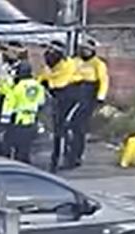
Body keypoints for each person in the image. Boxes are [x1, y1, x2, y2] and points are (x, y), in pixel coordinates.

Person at [38, 42, 83, 172]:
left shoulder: (68, 65)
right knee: (58, 130)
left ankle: (68, 159)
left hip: (71, 98)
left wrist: (48, 82)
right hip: (59, 99)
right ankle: (57, 159)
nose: (48, 55)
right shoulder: (51, 67)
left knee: (66, 129)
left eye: (52, 52)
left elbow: (60, 83)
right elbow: (42, 79)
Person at [70, 37, 110, 168]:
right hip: (72, 94)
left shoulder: (98, 64)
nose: (84, 52)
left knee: (79, 127)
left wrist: (100, 97)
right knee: (68, 125)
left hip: (87, 96)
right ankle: (68, 152)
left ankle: (77, 155)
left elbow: (103, 81)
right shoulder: (75, 61)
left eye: (87, 50)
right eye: (82, 49)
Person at [0, 62, 47, 164]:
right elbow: (41, 102)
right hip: (32, 122)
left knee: (12, 149)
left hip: (18, 122)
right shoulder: (38, 86)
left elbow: (8, 105)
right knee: (26, 149)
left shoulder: (17, 87)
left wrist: (4, 124)